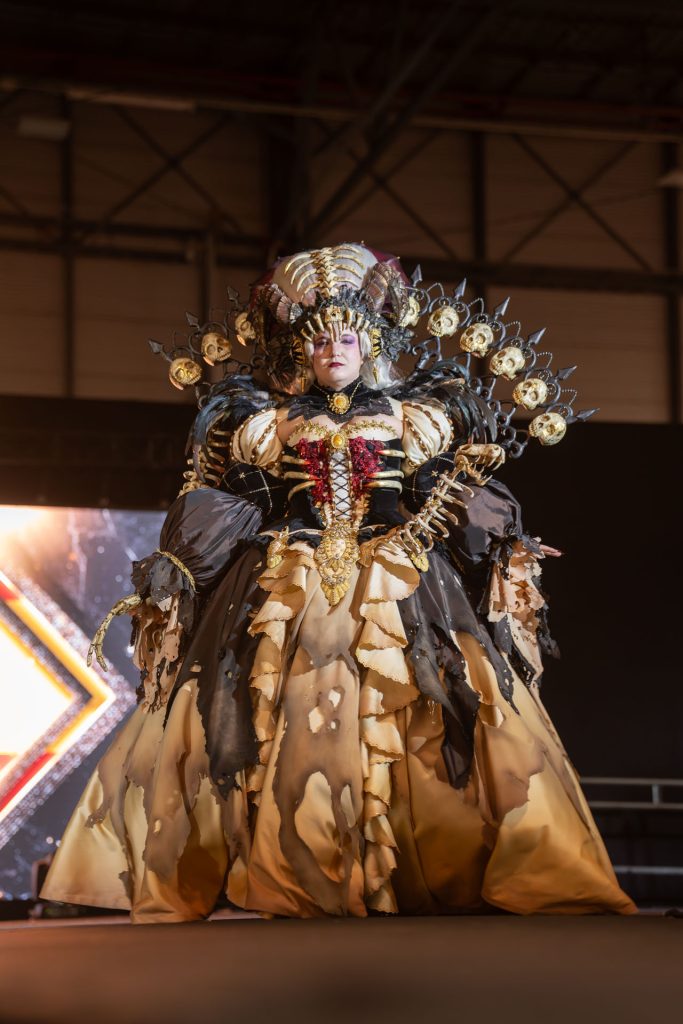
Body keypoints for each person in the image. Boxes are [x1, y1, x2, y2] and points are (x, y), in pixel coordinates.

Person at [41, 243, 635, 921]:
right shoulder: (270, 422)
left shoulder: (414, 416)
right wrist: (190, 556)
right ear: (303, 349)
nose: (333, 350)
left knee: (430, 704)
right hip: (291, 572)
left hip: (396, 572)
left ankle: (429, 862)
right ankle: (306, 869)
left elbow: (440, 490)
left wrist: (502, 538)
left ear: (369, 343)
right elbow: (239, 498)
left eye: (346, 338)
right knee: (268, 711)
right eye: (320, 340)